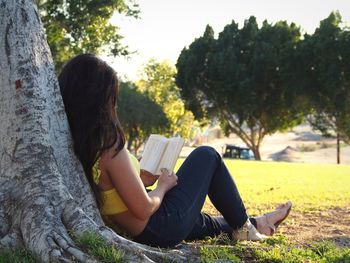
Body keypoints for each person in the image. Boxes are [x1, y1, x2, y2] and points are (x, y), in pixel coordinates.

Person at [58, 54, 292, 248]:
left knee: (201, 221)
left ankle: (257, 222)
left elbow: (113, 192)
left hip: (145, 227)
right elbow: (143, 208)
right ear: (101, 99)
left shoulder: (78, 142)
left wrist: (141, 179)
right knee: (207, 155)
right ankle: (245, 228)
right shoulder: (107, 143)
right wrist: (162, 185)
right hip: (157, 227)